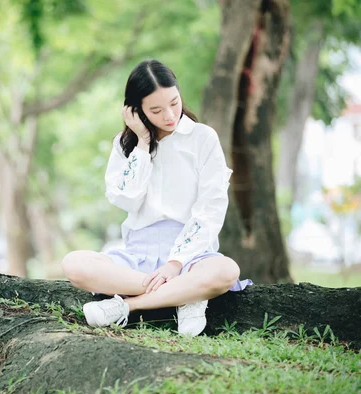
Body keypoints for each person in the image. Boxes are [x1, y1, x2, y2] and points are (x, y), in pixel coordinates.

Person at [61, 60, 252, 336]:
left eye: (174, 103)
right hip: (139, 255)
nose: (170, 115)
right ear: (136, 110)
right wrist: (142, 143)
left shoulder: (202, 138)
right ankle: (186, 293)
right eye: (156, 110)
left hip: (192, 252)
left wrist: (176, 263)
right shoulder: (124, 145)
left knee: (226, 270)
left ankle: (127, 307)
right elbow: (125, 200)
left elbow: (211, 206)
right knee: (74, 264)